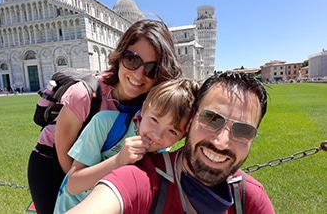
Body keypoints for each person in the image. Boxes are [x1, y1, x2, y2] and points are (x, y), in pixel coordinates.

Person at [27, 18, 182, 214]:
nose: (139, 75)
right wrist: (90, 194)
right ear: (119, 57)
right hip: (53, 161)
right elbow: (65, 158)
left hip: (99, 165)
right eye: (132, 60)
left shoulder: (151, 106)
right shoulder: (84, 94)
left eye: (152, 68)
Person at [66, 72, 275, 214]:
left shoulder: (250, 197)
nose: (221, 142)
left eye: (243, 130)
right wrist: (118, 161)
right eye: (212, 119)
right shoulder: (144, 175)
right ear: (192, 120)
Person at [53, 78, 200, 213]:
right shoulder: (105, 124)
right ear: (144, 109)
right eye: (154, 120)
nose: (157, 135)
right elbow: (73, 184)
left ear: (182, 137)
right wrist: (118, 161)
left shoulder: (163, 156)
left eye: (172, 131)